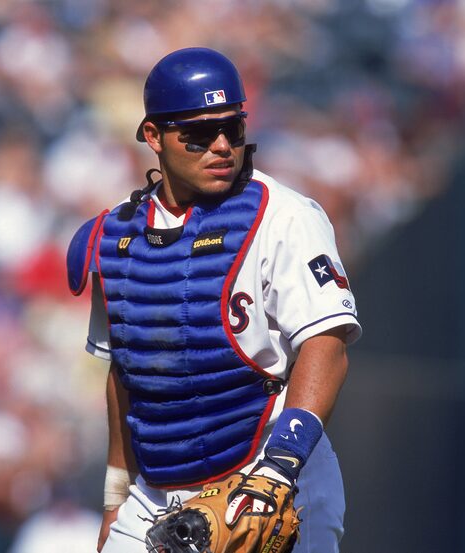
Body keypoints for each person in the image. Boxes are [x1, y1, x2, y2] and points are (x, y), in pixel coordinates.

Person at [66, 47, 361, 553]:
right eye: (199, 134)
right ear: (154, 136)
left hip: (268, 473)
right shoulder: (115, 239)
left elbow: (326, 346)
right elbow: (125, 375)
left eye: (233, 129)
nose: (221, 146)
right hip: (155, 492)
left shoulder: (286, 216)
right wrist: (116, 498)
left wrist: (278, 470)